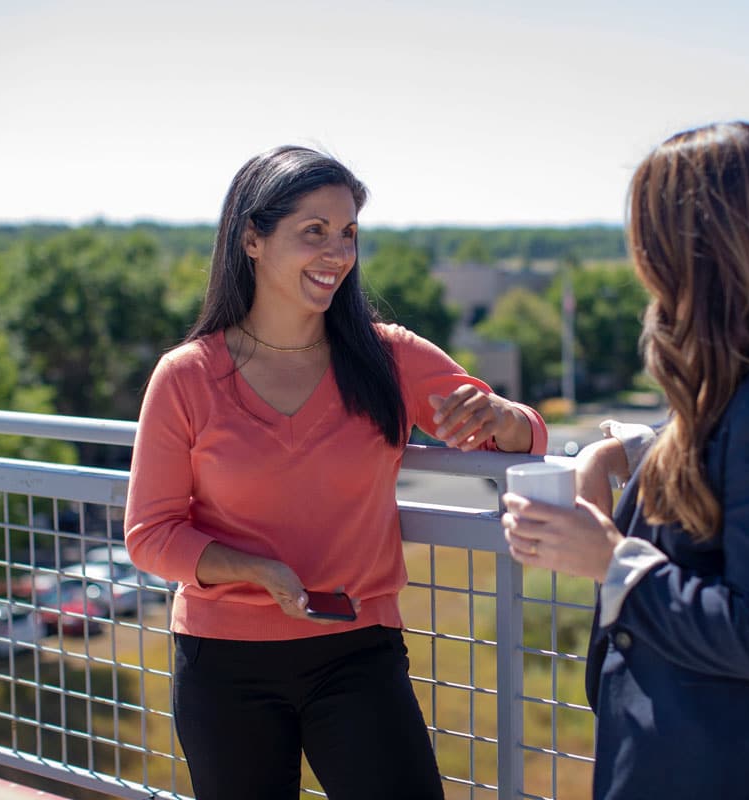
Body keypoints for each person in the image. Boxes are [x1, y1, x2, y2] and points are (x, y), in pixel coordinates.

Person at [124, 146, 548, 800]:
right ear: (252, 240)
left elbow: (522, 437)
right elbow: (150, 534)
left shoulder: (389, 357)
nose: (338, 253)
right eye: (313, 232)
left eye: (348, 233)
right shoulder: (187, 376)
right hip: (222, 663)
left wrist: (502, 417)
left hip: (359, 653)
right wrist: (256, 572)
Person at [501, 121, 749, 799]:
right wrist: (632, 451)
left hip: (734, 763)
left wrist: (609, 561)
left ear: (701, 249)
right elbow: (734, 439)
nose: (644, 264)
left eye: (651, 241)